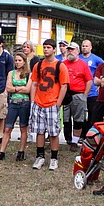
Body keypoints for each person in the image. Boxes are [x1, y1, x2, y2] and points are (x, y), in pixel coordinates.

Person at [29, 38, 69, 171]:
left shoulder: (60, 66)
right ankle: (40, 156)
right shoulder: (38, 65)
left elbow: (64, 86)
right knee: (39, 131)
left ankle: (54, 158)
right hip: (39, 102)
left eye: (49, 47)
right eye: (44, 47)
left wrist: (58, 103)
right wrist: (33, 100)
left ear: (54, 49)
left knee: (53, 132)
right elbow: (34, 83)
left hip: (52, 103)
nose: (46, 49)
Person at [0, 53, 32, 162]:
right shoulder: (11, 73)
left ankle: (21, 152)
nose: (17, 62)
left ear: (24, 61)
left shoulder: (29, 74)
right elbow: (8, 87)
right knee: (8, 128)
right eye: (16, 60)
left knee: (23, 128)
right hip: (13, 102)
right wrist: (19, 88)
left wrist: (15, 88)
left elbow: (28, 89)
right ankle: (1, 152)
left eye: (20, 60)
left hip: (25, 103)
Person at [61, 42, 92, 151]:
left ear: (77, 51)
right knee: (65, 119)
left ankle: (75, 141)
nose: (70, 51)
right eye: (68, 49)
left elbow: (89, 80)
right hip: (65, 94)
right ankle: (68, 138)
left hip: (78, 94)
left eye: (72, 49)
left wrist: (85, 95)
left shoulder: (83, 64)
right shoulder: (63, 64)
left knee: (78, 119)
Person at [80, 39, 104, 138]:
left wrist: (101, 81)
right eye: (83, 46)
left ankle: (90, 135)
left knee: (92, 114)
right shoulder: (78, 58)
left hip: (92, 92)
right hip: (80, 91)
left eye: (86, 46)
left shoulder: (96, 59)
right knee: (80, 116)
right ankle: (80, 135)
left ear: (91, 47)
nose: (84, 48)